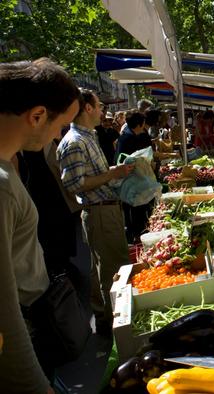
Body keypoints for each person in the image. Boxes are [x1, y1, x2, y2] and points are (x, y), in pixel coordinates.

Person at [0, 58, 80, 394]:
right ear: (37, 115)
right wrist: (35, 384)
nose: (59, 136)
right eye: (61, 125)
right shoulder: (1, 185)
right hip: (21, 334)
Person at [57, 88, 134, 338]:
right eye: (99, 105)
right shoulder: (75, 141)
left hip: (105, 210)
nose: (103, 110)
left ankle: (106, 319)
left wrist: (116, 171)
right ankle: (116, 327)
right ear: (88, 108)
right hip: (99, 212)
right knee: (113, 270)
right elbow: (75, 183)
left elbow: (92, 175)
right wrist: (112, 174)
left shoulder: (87, 137)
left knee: (105, 267)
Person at [116, 111, 153, 243]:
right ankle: (136, 237)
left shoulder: (128, 136)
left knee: (138, 209)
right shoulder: (129, 139)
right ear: (139, 124)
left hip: (135, 180)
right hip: (131, 181)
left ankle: (138, 234)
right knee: (134, 211)